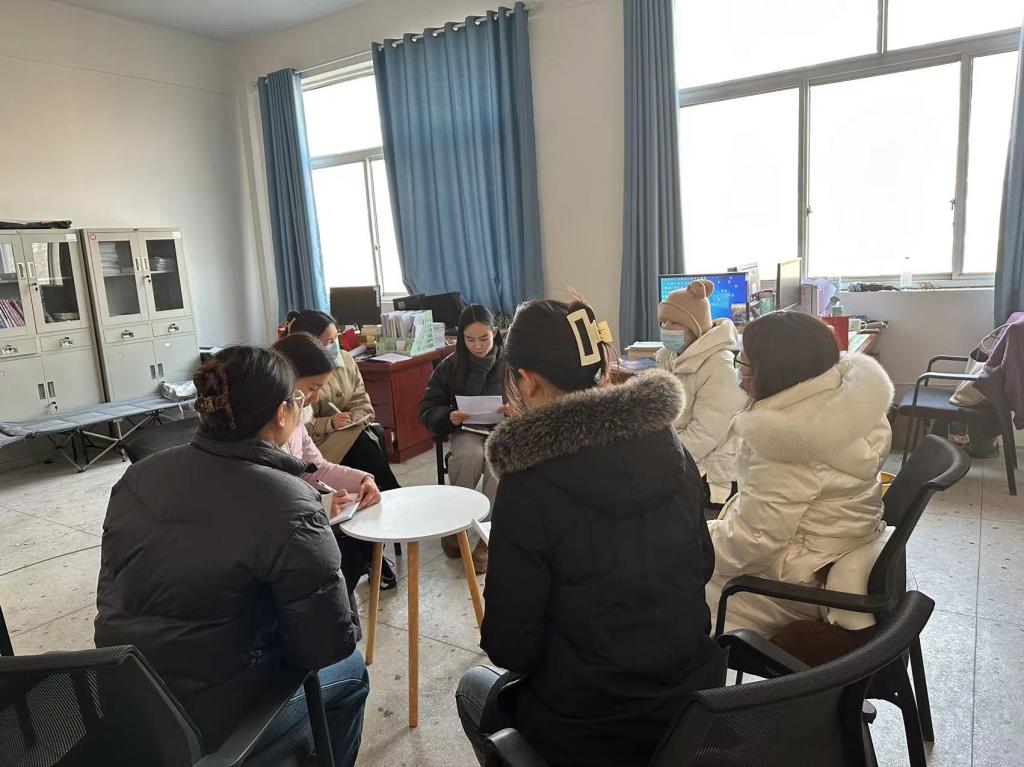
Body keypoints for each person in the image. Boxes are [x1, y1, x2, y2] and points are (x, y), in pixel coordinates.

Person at [456, 299, 726, 767]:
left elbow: (509, 645)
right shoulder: (670, 444)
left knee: (473, 688)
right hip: (690, 712)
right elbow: (703, 563)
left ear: (527, 380)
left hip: (589, 728)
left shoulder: (528, 481)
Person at [95, 346, 368, 766]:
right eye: (299, 400)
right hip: (217, 720)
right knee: (351, 672)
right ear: (283, 413)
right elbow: (327, 645)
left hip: (125, 698)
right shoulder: (290, 503)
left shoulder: (137, 477)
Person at [706, 311, 894, 638]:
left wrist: (694, 538)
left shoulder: (784, 442)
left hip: (797, 581)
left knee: (668, 578)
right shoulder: (848, 402)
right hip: (836, 549)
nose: (740, 372)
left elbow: (752, 545)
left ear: (771, 370)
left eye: (744, 363)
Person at [273, 332, 397, 592]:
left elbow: (315, 467)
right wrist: (319, 507)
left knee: (359, 536)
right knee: (345, 554)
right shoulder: (265, 425)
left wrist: (363, 480)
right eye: (312, 388)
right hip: (279, 535)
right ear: (286, 377)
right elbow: (270, 495)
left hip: (296, 513)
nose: (316, 398)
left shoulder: (295, 416)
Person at [419, 304, 504, 571]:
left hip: (504, 432)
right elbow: (428, 408)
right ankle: (457, 526)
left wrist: (517, 410)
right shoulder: (450, 366)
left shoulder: (512, 363)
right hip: (467, 431)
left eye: (484, 338)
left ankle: (488, 535)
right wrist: (449, 416)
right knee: (468, 456)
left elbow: (533, 403)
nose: (477, 346)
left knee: (497, 464)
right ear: (461, 338)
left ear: (494, 333)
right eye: (470, 339)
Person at [285, 309, 401, 491]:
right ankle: (389, 490)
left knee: (365, 438)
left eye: (335, 339)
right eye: (328, 342)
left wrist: (356, 416)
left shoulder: (345, 359)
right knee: (361, 443)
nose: (334, 346)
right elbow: (302, 429)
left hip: (345, 433)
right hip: (321, 439)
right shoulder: (293, 383)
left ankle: (382, 489)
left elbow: (360, 398)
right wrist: (329, 423)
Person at [656, 280, 747, 506]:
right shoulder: (669, 357)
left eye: (674, 322)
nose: (665, 327)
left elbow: (705, 434)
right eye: (663, 321)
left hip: (710, 476)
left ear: (694, 326)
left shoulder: (720, 366)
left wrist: (659, 460)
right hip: (681, 457)